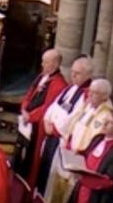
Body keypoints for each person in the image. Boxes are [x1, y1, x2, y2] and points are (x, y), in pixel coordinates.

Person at [47, 77, 113, 203]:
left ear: (105, 96)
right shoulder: (87, 107)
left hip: (79, 160)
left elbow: (95, 141)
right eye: (90, 91)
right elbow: (72, 125)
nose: (90, 95)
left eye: (95, 93)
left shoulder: (106, 116)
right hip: (68, 153)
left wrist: (79, 151)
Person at [35, 55, 93, 193]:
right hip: (50, 134)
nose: (73, 75)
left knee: (51, 178)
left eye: (77, 73)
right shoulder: (70, 88)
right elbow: (54, 106)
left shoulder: (86, 95)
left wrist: (54, 128)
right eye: (72, 72)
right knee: (43, 171)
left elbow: (73, 118)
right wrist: (47, 121)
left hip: (60, 139)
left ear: (88, 75)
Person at [14, 48, 68, 187]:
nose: (42, 65)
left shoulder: (59, 84)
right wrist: (24, 108)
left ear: (55, 64)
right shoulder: (42, 76)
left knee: (32, 160)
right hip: (27, 123)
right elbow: (30, 93)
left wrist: (31, 116)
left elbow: (48, 107)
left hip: (38, 128)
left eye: (45, 62)